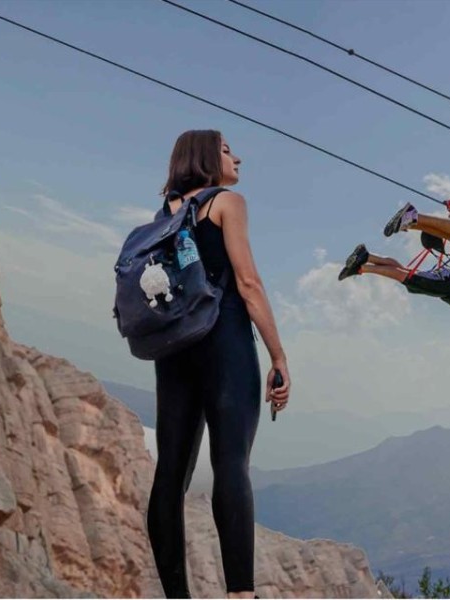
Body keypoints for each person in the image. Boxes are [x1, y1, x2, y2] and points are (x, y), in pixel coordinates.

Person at [149, 130, 290, 599]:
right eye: (229, 150)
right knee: (231, 464)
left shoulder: (163, 213)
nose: (237, 157)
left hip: (174, 347)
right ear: (208, 156)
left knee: (170, 471)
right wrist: (278, 355)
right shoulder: (226, 202)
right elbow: (248, 284)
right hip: (223, 339)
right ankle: (241, 594)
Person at [337, 243, 450, 320]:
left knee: (406, 272)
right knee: (406, 277)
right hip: (448, 285)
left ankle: (367, 256)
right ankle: (361, 268)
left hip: (446, 285)